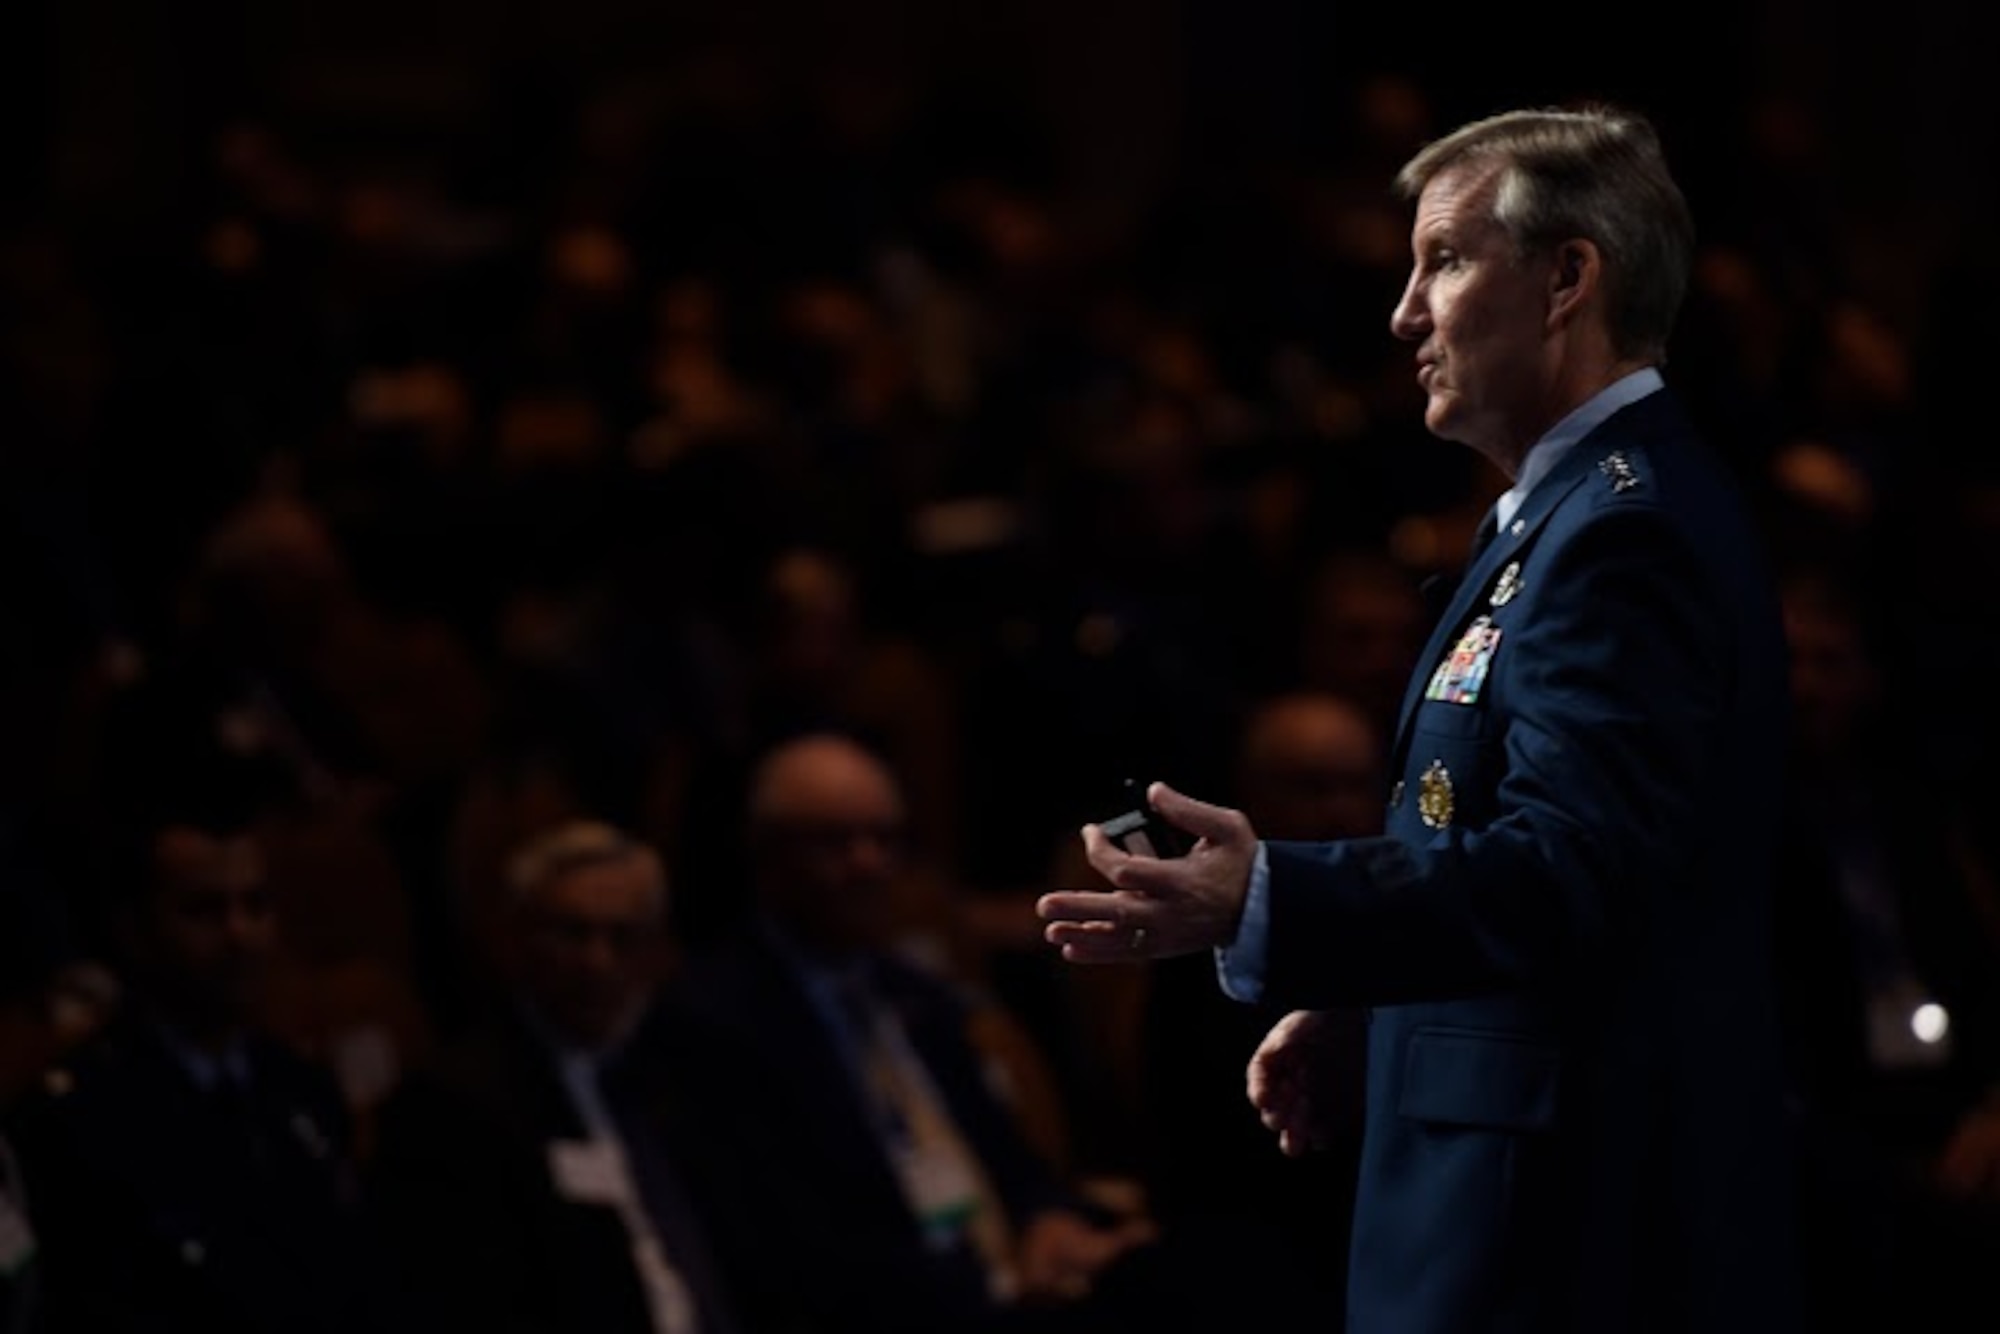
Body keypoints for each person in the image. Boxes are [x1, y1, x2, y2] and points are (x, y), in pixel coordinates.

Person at [1037, 103, 1803, 1333]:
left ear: (1565, 278)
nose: (1403, 312)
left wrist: (1265, 895)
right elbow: (1549, 877)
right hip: (1527, 1201)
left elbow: (1574, 872)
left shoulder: (1626, 535)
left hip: (1566, 1237)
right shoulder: (1577, 516)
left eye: (1441, 259)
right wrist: (1379, 1009)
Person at [366, 818, 804, 1334]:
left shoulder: (690, 1074)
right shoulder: (454, 1108)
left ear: (657, 952)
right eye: (573, 934)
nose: (598, 962)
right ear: (515, 944)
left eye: (623, 937)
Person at [2, 800, 414, 1334]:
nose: (239, 934)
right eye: (204, 910)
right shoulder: (77, 1117)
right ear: (134, 929)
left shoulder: (299, 1086)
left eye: (255, 905)